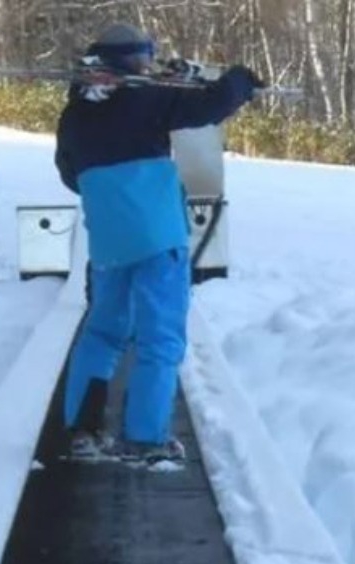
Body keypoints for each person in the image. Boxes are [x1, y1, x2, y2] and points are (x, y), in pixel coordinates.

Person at [54, 23, 262, 460]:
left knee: (103, 332)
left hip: (108, 244)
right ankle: (146, 438)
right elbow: (210, 105)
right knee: (160, 338)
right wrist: (240, 81)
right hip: (159, 239)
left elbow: (71, 176)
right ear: (132, 58)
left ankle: (84, 430)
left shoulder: (74, 114)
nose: (150, 64)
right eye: (146, 56)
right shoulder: (148, 97)